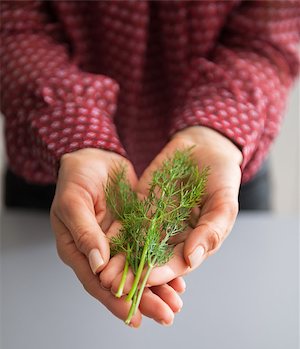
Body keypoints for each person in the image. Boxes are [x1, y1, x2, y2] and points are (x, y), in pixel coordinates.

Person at [1, 1, 299, 327]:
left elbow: (269, 35)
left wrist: (217, 130)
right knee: (44, 315)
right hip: (62, 170)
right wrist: (75, 132)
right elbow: (14, 23)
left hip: (223, 163)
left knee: (244, 311)